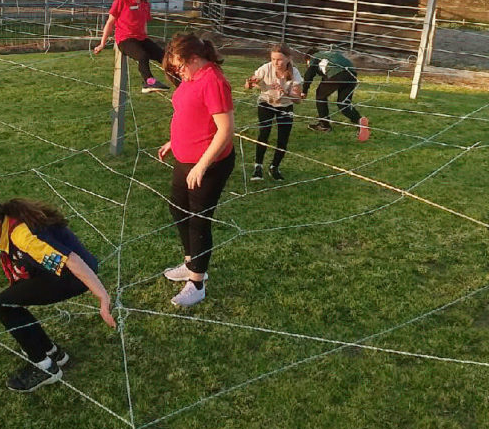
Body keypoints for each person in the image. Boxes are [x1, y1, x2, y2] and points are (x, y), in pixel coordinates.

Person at [0, 196, 116, 393]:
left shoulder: (22, 237)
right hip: (58, 271)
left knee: (3, 305)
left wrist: (102, 297)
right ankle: (53, 353)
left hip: (74, 276)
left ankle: (45, 367)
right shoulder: (8, 227)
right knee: (10, 302)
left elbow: (71, 260)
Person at [158, 33, 235, 308]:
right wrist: (174, 141)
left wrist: (202, 164)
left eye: (180, 67)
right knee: (177, 210)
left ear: (194, 58)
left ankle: (197, 283)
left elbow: (225, 130)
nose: (179, 73)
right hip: (185, 158)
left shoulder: (213, 80)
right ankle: (191, 262)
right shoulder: (193, 77)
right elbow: (189, 113)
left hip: (209, 164)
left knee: (198, 219)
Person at [94, 0, 170, 93]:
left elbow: (144, 22)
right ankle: (148, 82)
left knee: (164, 56)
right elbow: (110, 23)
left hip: (141, 38)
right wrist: (102, 44)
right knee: (143, 56)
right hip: (125, 40)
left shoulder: (145, 4)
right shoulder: (122, 1)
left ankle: (181, 79)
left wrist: (147, 39)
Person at [245, 42, 303, 181]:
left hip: (285, 106)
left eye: (279, 59)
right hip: (266, 103)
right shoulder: (265, 68)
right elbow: (248, 85)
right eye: (273, 59)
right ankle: (258, 167)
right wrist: (250, 83)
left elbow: (298, 100)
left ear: (288, 58)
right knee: (264, 133)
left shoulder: (294, 73)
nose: (276, 63)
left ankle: (274, 167)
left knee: (283, 138)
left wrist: (286, 93)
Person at [301, 49, 370, 141]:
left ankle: (324, 125)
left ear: (308, 58)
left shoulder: (314, 57)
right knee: (343, 103)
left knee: (320, 95)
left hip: (337, 73)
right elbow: (326, 75)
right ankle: (359, 120)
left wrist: (304, 91)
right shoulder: (328, 54)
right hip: (352, 73)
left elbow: (308, 75)